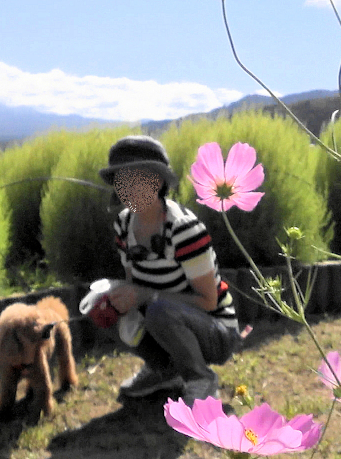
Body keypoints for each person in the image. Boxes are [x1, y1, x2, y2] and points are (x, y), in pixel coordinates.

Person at [95, 135, 240, 405]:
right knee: (104, 302)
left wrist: (146, 296)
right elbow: (133, 286)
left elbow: (208, 302)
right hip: (165, 317)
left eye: (137, 179)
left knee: (159, 309)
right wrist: (120, 299)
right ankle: (164, 370)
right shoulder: (123, 226)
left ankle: (200, 378)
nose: (128, 188)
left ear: (158, 181)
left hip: (215, 331)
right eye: (121, 180)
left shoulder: (184, 229)